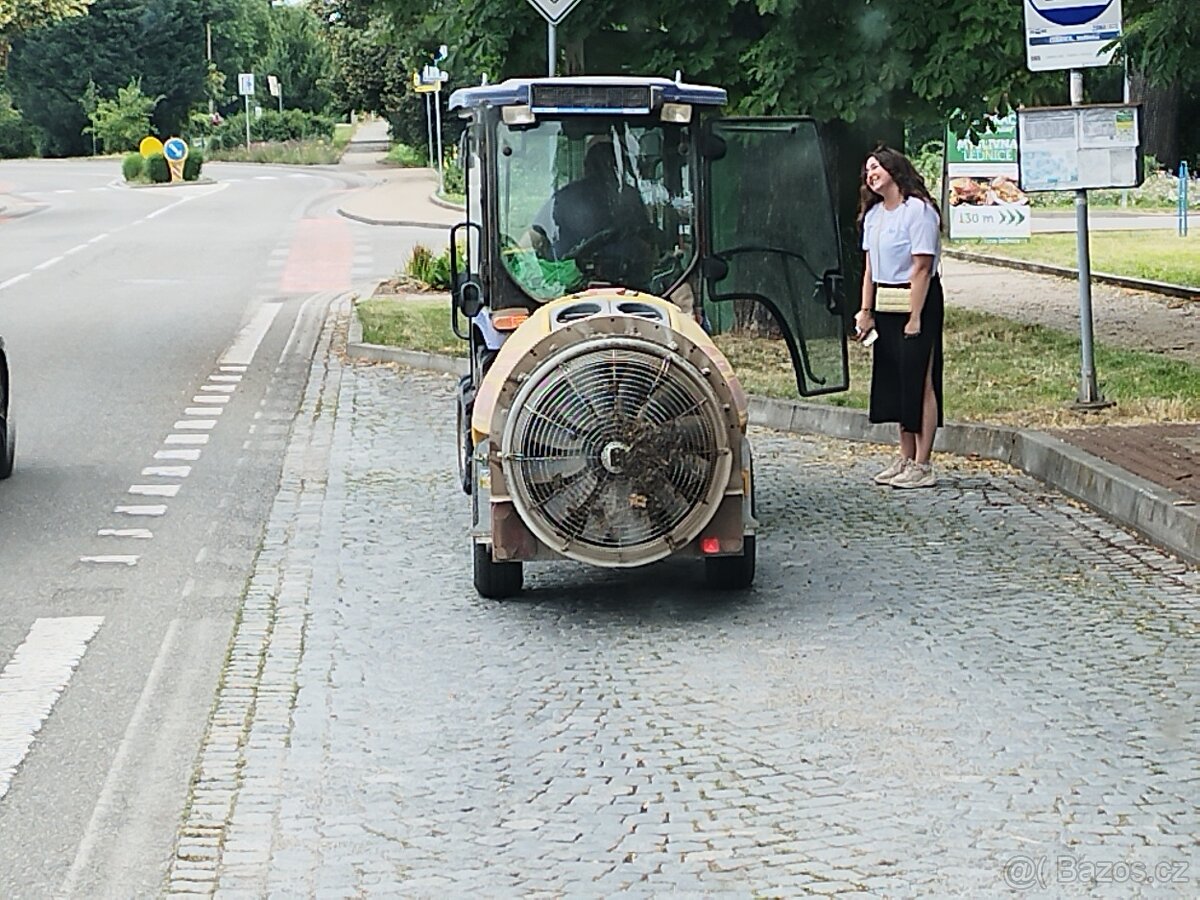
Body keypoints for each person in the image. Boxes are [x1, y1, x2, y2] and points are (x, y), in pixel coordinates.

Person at [854, 145, 944, 489]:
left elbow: (921, 267)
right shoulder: (875, 215)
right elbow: (870, 268)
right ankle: (905, 455)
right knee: (894, 378)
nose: (870, 174)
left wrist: (916, 316)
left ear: (894, 170)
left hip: (915, 298)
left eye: (876, 167)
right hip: (886, 299)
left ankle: (923, 462)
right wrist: (866, 310)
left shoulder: (917, 212)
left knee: (919, 378)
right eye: (867, 170)